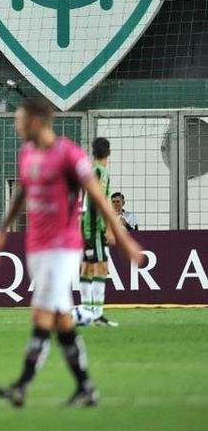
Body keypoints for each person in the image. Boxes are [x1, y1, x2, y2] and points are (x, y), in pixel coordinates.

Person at [0, 98, 142, 408]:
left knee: (42, 313)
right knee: (62, 319)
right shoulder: (27, 153)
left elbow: (98, 197)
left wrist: (123, 239)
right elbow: (23, 193)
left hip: (63, 246)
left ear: (37, 121)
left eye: (20, 120)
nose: (16, 126)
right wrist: (2, 231)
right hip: (37, 246)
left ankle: (21, 385)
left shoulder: (68, 154)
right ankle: (85, 387)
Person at [76, 138, 119, 327]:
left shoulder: (90, 171)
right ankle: (97, 314)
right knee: (101, 268)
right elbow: (98, 201)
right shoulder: (101, 172)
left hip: (85, 225)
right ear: (108, 152)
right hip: (94, 227)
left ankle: (86, 313)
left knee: (86, 268)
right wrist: (108, 228)